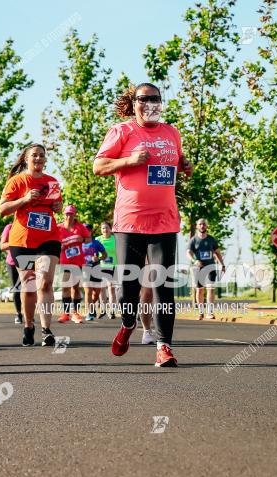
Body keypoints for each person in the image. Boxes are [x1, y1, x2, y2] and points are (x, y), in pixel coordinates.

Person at [93, 83, 193, 367]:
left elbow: (178, 160)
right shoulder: (122, 132)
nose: (149, 103)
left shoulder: (172, 132)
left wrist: (185, 164)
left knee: (164, 285)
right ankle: (127, 323)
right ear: (134, 103)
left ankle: (164, 347)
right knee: (128, 286)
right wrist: (129, 160)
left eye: (155, 98)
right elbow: (98, 167)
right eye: (143, 99)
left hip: (164, 220)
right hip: (129, 221)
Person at [0, 143, 62, 347]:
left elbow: (56, 206)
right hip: (22, 240)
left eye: (42, 155)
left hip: (48, 237)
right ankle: (28, 324)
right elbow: (3, 210)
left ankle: (46, 329)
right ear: (26, 158)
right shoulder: (17, 181)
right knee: (29, 285)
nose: (39, 158)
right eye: (34, 155)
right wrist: (24, 199)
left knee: (45, 282)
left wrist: (57, 206)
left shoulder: (52, 181)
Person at [57, 206, 91, 324]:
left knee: (75, 287)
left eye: (71, 214)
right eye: (67, 214)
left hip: (77, 261)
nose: (69, 216)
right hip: (64, 261)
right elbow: (53, 242)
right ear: (63, 214)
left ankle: (75, 313)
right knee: (65, 286)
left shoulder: (80, 227)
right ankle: (66, 313)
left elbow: (89, 239)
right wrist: (58, 247)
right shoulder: (59, 228)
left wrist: (82, 240)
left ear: (74, 215)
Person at [187, 218, 225, 320]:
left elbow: (217, 252)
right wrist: (194, 261)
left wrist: (222, 264)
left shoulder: (211, 239)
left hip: (211, 267)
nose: (202, 226)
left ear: (207, 226)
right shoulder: (193, 240)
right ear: (197, 226)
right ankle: (200, 312)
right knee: (199, 291)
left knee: (211, 289)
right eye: (200, 224)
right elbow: (188, 253)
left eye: (204, 224)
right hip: (198, 268)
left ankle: (210, 312)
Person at [82, 223, 107, 321]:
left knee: (96, 293)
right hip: (85, 269)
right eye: (84, 229)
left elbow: (105, 255)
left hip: (96, 268)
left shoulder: (96, 243)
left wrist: (98, 258)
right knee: (88, 291)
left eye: (88, 229)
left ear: (91, 231)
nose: (86, 231)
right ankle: (89, 312)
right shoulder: (80, 243)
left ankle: (91, 307)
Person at [0, 221, 24, 324]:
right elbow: (2, 245)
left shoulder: (29, 226)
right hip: (12, 262)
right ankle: (18, 314)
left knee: (29, 289)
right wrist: (16, 242)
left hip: (27, 261)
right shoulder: (9, 227)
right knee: (16, 288)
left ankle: (29, 314)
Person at [97, 221, 118, 319]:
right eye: (103, 228)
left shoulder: (115, 239)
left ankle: (112, 311)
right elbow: (93, 252)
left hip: (113, 266)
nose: (105, 230)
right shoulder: (97, 240)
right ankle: (103, 310)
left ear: (110, 229)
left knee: (111, 288)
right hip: (101, 266)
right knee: (101, 289)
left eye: (106, 228)